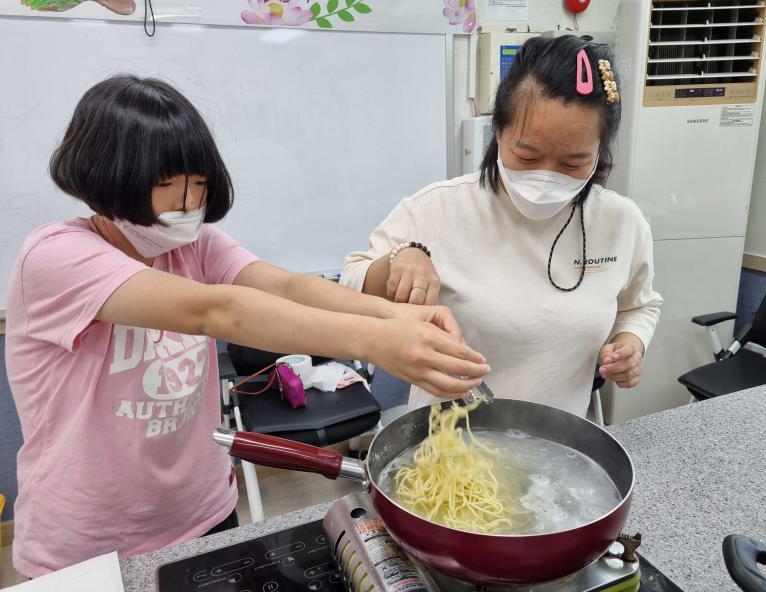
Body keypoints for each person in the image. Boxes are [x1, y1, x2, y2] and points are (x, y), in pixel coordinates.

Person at [4, 75, 490, 577]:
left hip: (204, 511)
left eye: (200, 182)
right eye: (166, 183)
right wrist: (378, 342)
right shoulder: (55, 256)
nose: (189, 203)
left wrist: (399, 316)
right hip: (89, 543)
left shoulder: (195, 246)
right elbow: (215, 311)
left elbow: (284, 286)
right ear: (106, 175)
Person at [341, 36, 663, 415]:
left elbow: (640, 306)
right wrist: (401, 258)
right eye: (527, 156)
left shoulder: (621, 223)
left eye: (572, 163)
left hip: (555, 438)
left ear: (600, 152)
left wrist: (631, 342)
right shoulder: (438, 208)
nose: (546, 177)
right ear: (497, 133)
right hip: (446, 439)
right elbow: (350, 286)